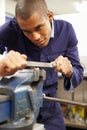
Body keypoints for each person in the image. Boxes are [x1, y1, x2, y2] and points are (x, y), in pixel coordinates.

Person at [0, 0, 83, 130]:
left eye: (39, 27)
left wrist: (69, 71)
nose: (35, 37)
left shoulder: (66, 31)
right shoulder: (10, 29)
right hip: (17, 107)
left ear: (50, 16)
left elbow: (78, 73)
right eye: (26, 32)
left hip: (50, 110)